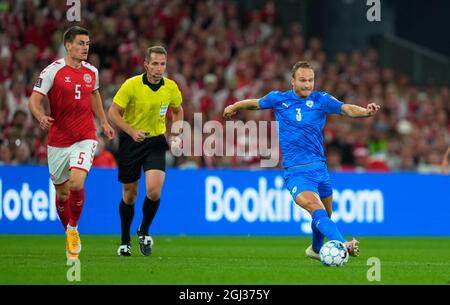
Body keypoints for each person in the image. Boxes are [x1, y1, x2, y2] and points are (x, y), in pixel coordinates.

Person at [223, 61, 381, 261]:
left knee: (325, 217)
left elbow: (345, 109)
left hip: (320, 169)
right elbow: (254, 103)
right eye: (303, 80)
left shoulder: (321, 99)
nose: (307, 85)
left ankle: (315, 249)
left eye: (310, 80)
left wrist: (366, 111)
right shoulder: (279, 99)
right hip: (296, 172)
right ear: (293, 81)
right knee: (318, 211)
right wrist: (234, 106)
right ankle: (343, 244)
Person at [28, 26, 115, 260]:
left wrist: (104, 122)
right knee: (62, 192)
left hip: (85, 135)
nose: (85, 47)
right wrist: (40, 116)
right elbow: (34, 101)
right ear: (68, 45)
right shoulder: (52, 71)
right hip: (58, 139)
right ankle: (68, 230)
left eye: (87, 43)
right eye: (80, 43)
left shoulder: (92, 72)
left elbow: (94, 95)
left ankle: (74, 229)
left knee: (77, 183)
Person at [108, 46, 183, 257]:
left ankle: (144, 230)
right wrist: (131, 131)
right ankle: (124, 240)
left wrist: (176, 134)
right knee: (129, 195)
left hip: (156, 141)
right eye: (155, 64)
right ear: (146, 65)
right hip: (131, 143)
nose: (159, 68)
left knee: (154, 191)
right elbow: (113, 113)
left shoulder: (170, 87)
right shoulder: (131, 85)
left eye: (163, 64)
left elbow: (178, 110)